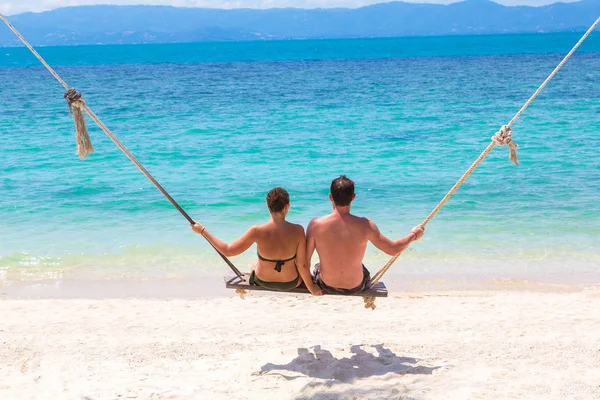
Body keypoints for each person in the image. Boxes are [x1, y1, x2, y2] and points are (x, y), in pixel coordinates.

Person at [192, 187, 323, 295]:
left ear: (267, 206)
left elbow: (228, 250)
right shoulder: (298, 230)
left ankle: (243, 288)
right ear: (287, 207)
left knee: (255, 263)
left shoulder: (257, 231)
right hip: (290, 282)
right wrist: (311, 287)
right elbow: (302, 265)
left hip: (262, 280)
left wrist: (202, 231)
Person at [306, 175, 424, 294]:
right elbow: (393, 249)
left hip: (327, 285)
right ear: (353, 197)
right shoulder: (366, 225)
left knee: (318, 266)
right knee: (362, 269)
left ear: (330, 197)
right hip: (356, 286)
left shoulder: (315, 225)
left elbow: (304, 262)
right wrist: (413, 235)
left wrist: (310, 286)